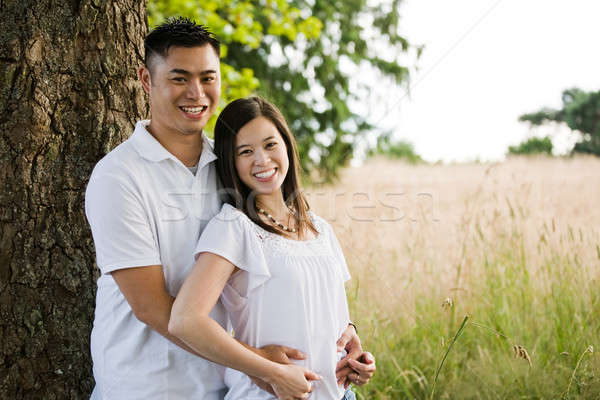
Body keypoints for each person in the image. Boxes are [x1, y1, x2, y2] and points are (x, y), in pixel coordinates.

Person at [85, 17, 373, 399]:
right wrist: (261, 364)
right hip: (147, 383)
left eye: (208, 77)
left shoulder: (231, 164)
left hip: (222, 385)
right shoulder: (118, 177)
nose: (196, 92)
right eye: (179, 78)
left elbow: (286, 263)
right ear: (144, 79)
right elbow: (152, 307)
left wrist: (341, 331)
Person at [168, 97, 375, 400]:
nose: (262, 160)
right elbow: (185, 320)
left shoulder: (319, 228)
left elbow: (325, 312)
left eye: (270, 145)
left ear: (287, 146)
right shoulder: (234, 227)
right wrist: (269, 370)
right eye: (246, 151)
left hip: (340, 395)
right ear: (231, 162)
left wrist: (353, 344)